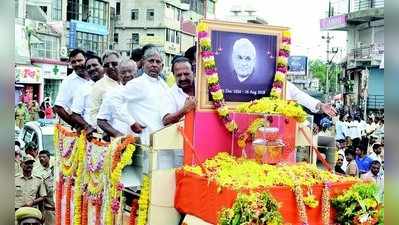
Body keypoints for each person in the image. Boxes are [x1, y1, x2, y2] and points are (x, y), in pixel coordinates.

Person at [108, 47, 174, 145]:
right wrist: (131, 122)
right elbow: (113, 100)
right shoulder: (137, 83)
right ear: (143, 63)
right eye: (151, 61)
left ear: (162, 66)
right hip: (143, 140)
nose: (154, 65)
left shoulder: (163, 85)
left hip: (161, 140)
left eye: (158, 62)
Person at [97, 59, 137, 138]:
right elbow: (101, 120)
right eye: (123, 72)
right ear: (118, 74)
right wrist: (117, 134)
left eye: (130, 71)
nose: (127, 75)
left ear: (136, 72)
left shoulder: (145, 92)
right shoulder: (111, 94)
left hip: (144, 142)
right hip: (121, 144)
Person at [54, 49, 92, 128]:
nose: (77, 64)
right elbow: (58, 107)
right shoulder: (68, 81)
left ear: (86, 59)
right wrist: (76, 125)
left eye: (79, 60)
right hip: (79, 132)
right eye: (73, 62)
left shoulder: (94, 76)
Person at [70, 54, 105, 133]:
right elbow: (75, 114)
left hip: (112, 136)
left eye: (94, 65)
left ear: (102, 66)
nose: (92, 68)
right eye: (88, 67)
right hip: (93, 137)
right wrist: (87, 126)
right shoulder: (83, 88)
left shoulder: (112, 85)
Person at [89, 50, 122, 126]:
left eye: (114, 64)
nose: (110, 67)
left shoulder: (127, 82)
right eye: (106, 65)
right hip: (109, 132)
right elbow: (94, 113)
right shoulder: (98, 86)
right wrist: (103, 130)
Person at [162, 56, 196, 126]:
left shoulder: (202, 87)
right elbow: (166, 120)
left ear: (193, 72)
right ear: (173, 75)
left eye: (186, 74)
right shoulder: (170, 93)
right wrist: (185, 109)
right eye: (179, 75)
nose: (183, 78)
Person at [35, 150, 54, 225]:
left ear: (49, 158)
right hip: (47, 208)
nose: (41, 159)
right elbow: (39, 194)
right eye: (40, 157)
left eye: (44, 157)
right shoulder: (37, 172)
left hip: (59, 206)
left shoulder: (55, 168)